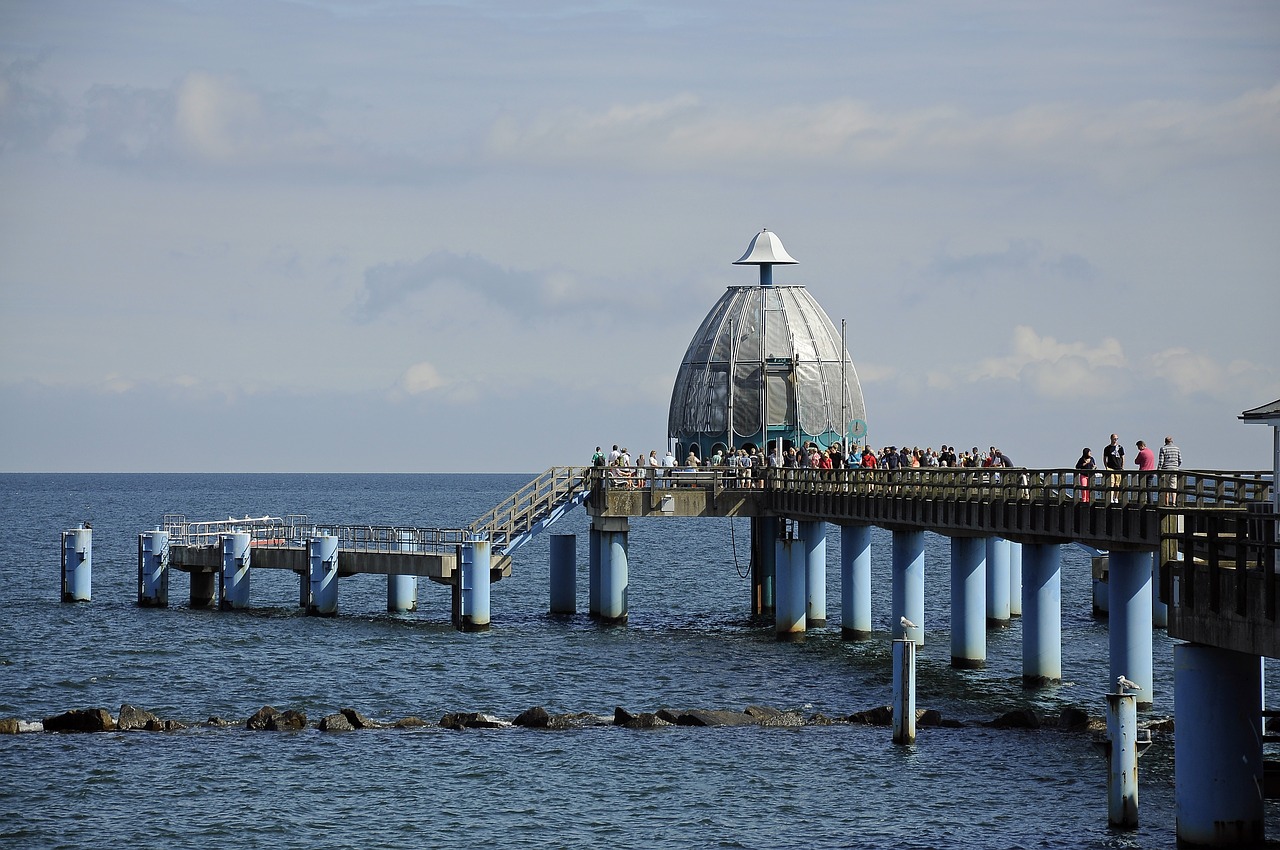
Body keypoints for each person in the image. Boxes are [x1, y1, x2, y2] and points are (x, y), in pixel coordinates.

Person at [1158, 436, 1182, 506]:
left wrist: (1159, 469)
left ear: (1165, 441)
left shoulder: (1163, 448)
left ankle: (1167, 503)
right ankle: (1174, 503)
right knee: (1173, 486)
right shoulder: (1177, 449)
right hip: (1175, 470)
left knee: (1166, 487)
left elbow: (1161, 461)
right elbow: (1180, 460)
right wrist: (1176, 466)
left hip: (1166, 470)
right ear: (1172, 441)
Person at [1103, 434, 1124, 503]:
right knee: (1111, 483)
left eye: (1116, 439)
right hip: (1110, 468)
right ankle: (1111, 498)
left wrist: (1122, 466)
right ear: (1111, 439)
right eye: (1114, 438)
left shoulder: (1120, 448)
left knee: (1117, 484)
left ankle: (1116, 497)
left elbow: (1122, 457)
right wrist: (1106, 466)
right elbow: (1104, 458)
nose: (1115, 440)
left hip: (1118, 468)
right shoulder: (1107, 448)